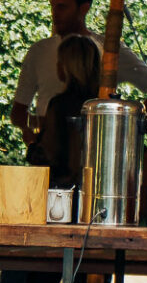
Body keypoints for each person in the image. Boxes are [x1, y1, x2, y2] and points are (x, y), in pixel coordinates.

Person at [9, 0, 147, 133]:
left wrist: (124, 130)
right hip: (51, 153)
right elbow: (18, 114)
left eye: (62, 6)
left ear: (84, 8)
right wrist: (42, 129)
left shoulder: (111, 50)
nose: (54, 13)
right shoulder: (39, 51)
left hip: (97, 151)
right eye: (53, 6)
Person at [26, 32, 102, 185]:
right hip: (95, 189)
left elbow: (49, 155)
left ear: (67, 66)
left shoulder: (60, 105)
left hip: (64, 192)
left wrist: (32, 143)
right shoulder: (101, 105)